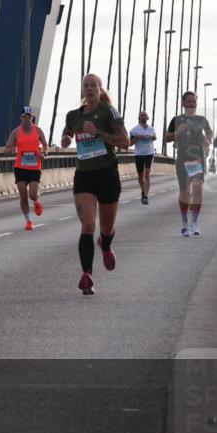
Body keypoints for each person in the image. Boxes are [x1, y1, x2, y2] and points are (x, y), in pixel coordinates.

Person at [59, 74, 129, 295]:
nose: (89, 89)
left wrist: (98, 132)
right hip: (85, 175)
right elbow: (68, 130)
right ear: (82, 91)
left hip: (107, 173)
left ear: (100, 89)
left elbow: (125, 142)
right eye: (85, 86)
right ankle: (87, 275)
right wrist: (65, 139)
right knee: (88, 225)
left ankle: (106, 244)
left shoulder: (109, 112)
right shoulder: (73, 116)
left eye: (93, 86)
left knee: (106, 229)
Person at [166, 91, 213, 236]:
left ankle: (195, 222)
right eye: (189, 101)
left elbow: (210, 132)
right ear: (183, 103)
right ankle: (185, 223)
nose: (192, 104)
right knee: (184, 191)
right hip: (182, 159)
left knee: (197, 187)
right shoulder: (176, 119)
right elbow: (167, 138)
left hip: (197, 159)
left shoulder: (202, 119)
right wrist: (177, 132)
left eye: (194, 101)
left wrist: (208, 139)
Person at [4, 106, 47, 229]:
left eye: (30, 117)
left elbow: (45, 145)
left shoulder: (38, 131)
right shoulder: (16, 132)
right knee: (23, 195)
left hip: (34, 167)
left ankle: (37, 201)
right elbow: (7, 147)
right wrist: (10, 150)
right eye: (25, 117)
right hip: (20, 168)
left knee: (32, 195)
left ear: (32, 118)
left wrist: (44, 153)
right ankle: (29, 221)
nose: (28, 119)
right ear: (21, 118)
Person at [128, 111, 157, 204]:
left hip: (149, 153)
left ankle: (145, 196)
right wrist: (137, 138)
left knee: (147, 174)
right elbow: (129, 143)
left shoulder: (151, 129)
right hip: (139, 154)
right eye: (142, 116)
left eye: (145, 116)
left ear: (147, 118)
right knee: (140, 176)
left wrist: (152, 137)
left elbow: (155, 137)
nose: (143, 117)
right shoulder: (134, 130)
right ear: (139, 118)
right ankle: (143, 191)